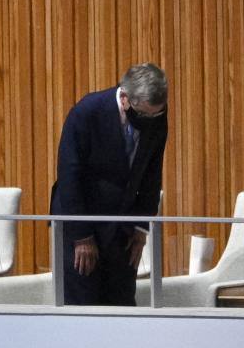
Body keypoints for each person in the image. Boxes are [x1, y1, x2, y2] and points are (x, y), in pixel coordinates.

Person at [50, 63, 168, 306]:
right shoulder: (87, 111)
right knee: (82, 305)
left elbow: (152, 174)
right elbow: (69, 176)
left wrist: (140, 226)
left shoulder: (156, 116)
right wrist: (82, 237)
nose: (152, 121)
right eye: (145, 114)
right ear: (125, 98)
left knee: (122, 304)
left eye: (158, 113)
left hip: (123, 225)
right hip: (81, 222)